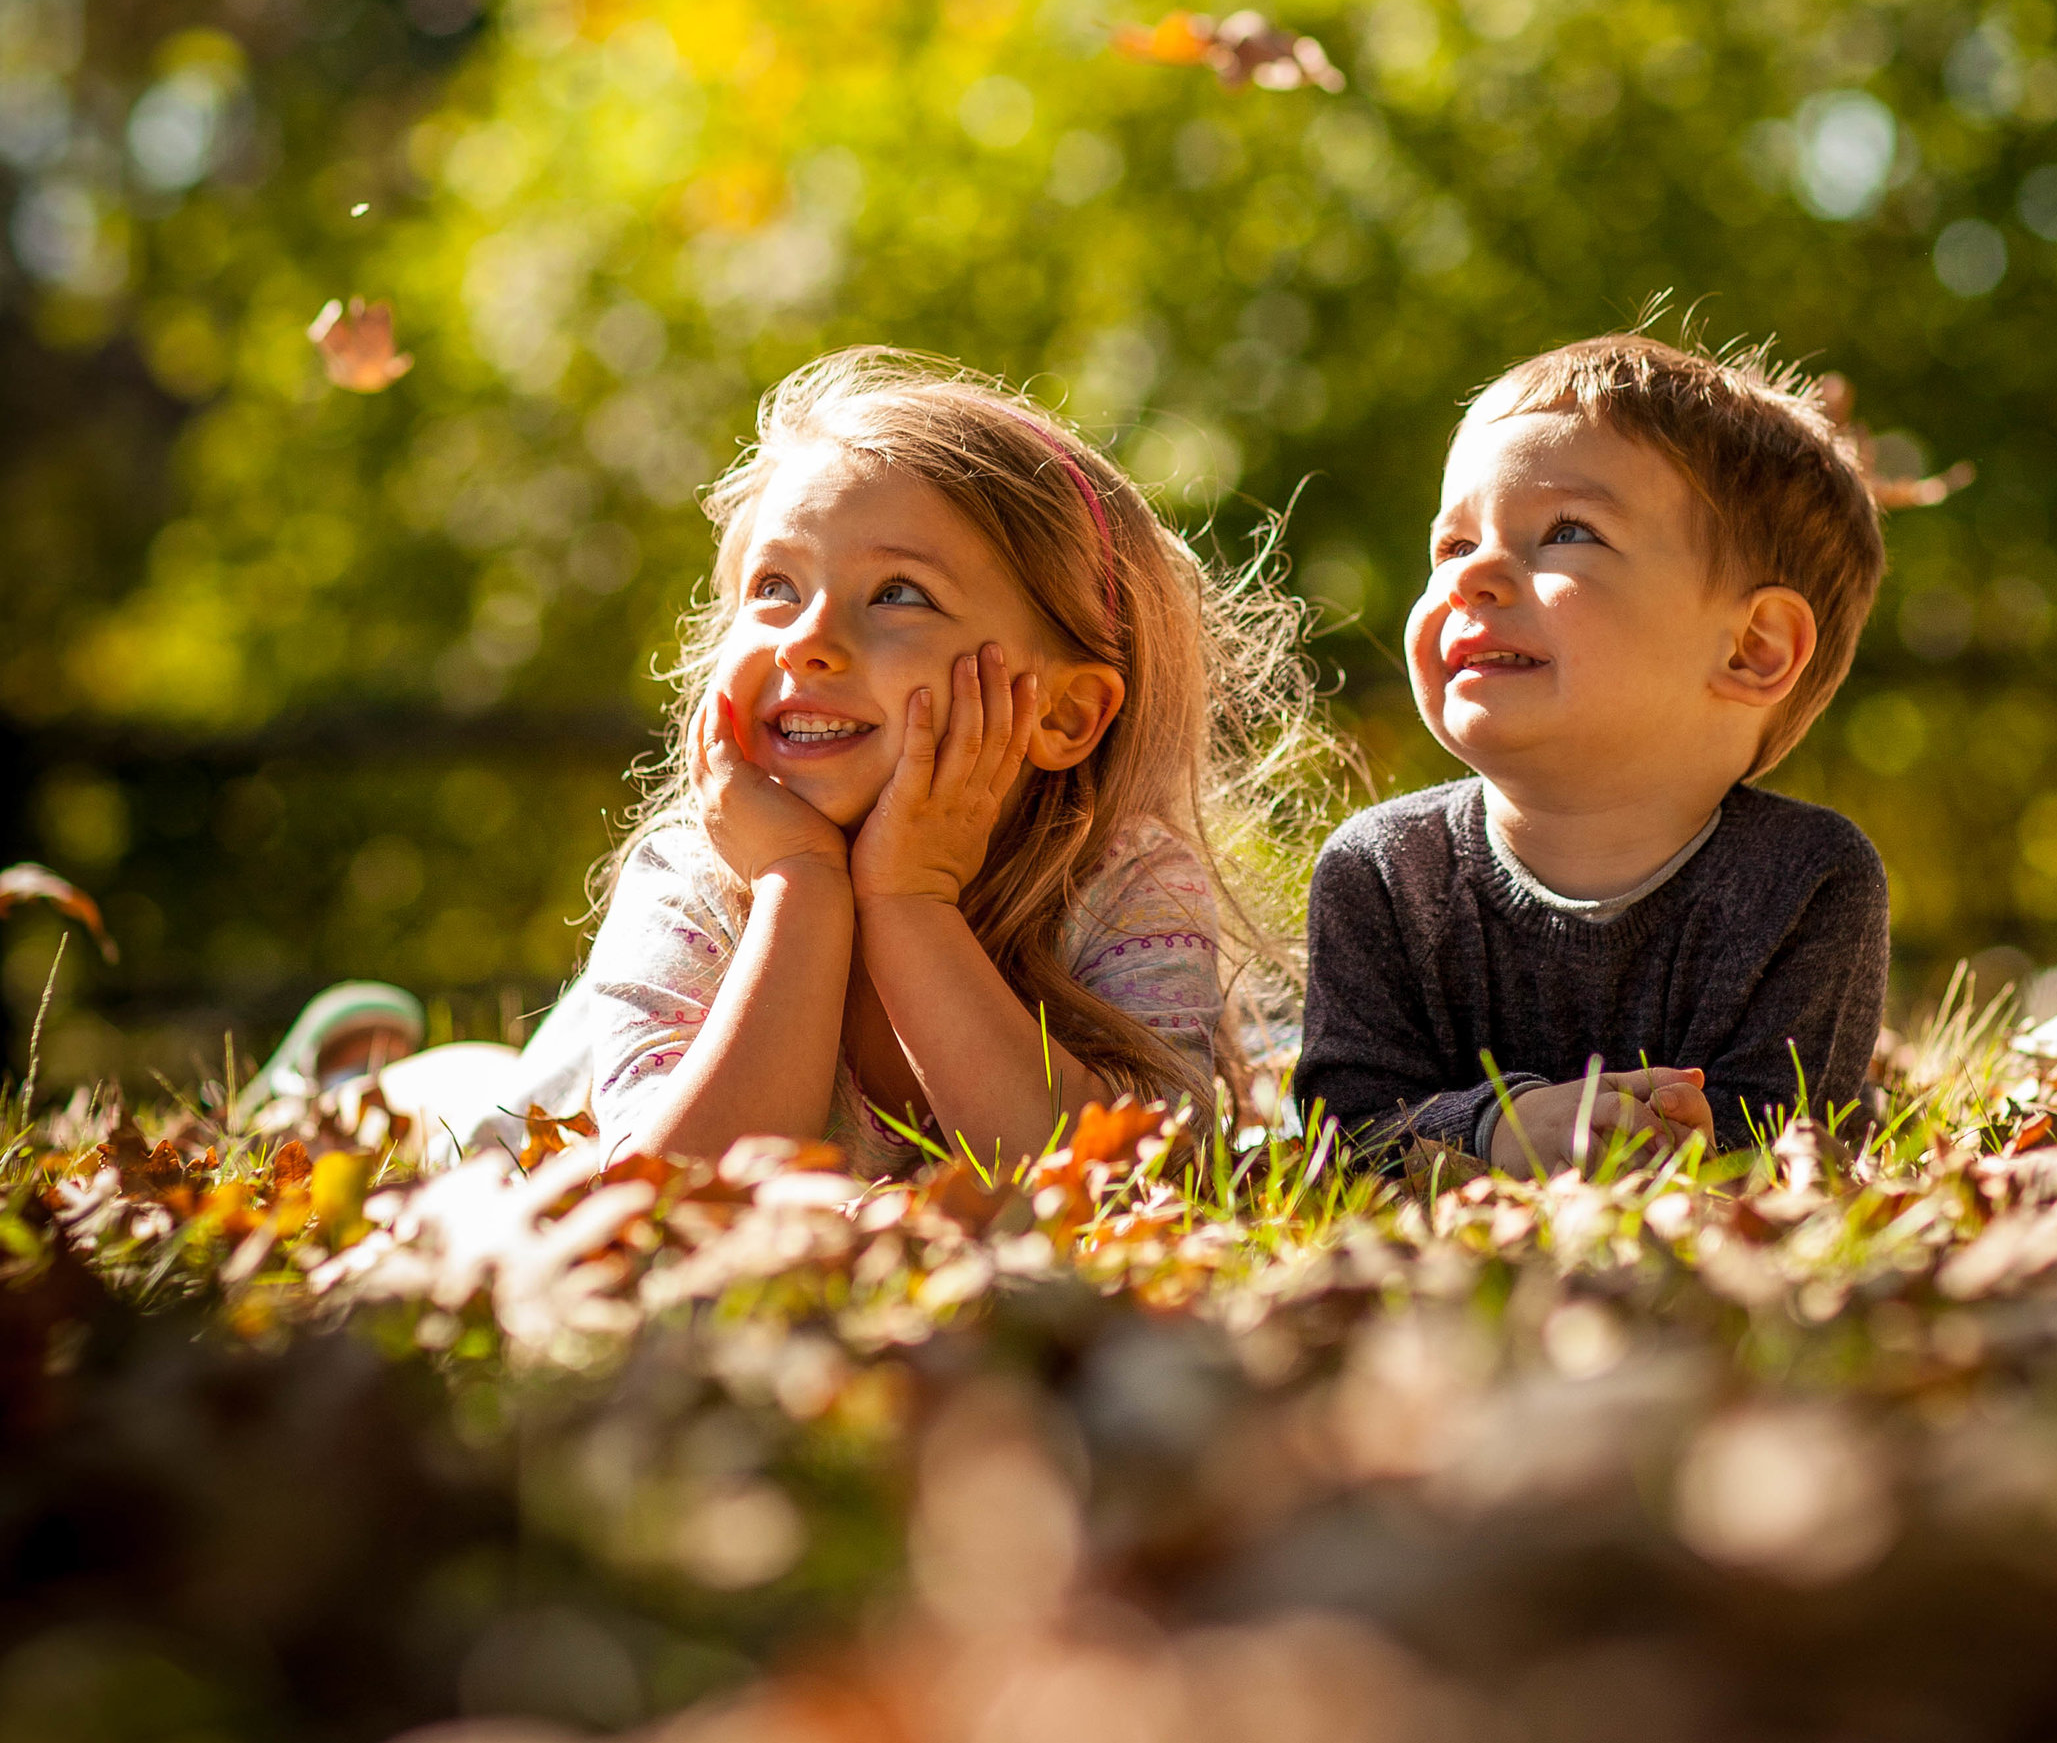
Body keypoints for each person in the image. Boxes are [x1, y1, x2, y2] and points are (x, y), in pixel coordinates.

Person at [253, 350, 1312, 1169]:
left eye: (898, 594)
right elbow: (667, 1191)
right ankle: (349, 1087)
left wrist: (910, 902)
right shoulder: (699, 874)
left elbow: (1134, 1181)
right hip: (544, 1114)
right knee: (460, 1118)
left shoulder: (1123, 882)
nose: (806, 638)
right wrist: (798, 886)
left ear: (1069, 714)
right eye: (773, 587)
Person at [1295, 329, 1891, 1175]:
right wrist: (1496, 1129)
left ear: (1753, 647)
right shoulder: (1384, 874)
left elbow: (1798, 1128)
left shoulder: (1808, 881)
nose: (1472, 575)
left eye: (1567, 531)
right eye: (1455, 545)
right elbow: (1343, 1119)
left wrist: (1689, 1133)